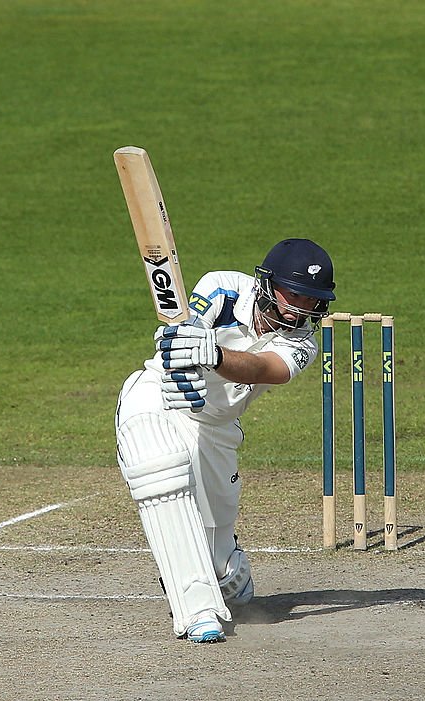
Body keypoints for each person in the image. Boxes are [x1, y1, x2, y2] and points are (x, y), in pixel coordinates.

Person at [115, 238, 335, 642]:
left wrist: (212, 354)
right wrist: (182, 346)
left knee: (220, 566)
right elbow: (187, 325)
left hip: (216, 428)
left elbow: (262, 368)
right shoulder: (225, 288)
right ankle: (196, 610)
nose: (303, 308)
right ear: (268, 284)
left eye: (313, 300)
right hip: (160, 397)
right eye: (296, 295)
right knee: (157, 468)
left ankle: (227, 567)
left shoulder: (303, 342)